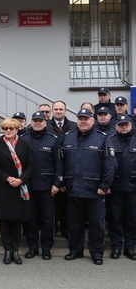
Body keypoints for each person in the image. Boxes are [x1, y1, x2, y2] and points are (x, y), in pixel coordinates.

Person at [60, 109, 114, 265]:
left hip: (95, 190)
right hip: (73, 189)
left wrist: (104, 186)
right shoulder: (68, 138)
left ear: (93, 120)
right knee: (74, 223)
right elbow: (61, 163)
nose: (83, 121)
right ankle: (75, 250)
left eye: (86, 119)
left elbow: (110, 165)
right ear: (76, 121)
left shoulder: (102, 139)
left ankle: (96, 253)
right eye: (80, 119)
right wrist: (62, 182)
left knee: (96, 223)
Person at [0, 118, 34, 265]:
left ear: (17, 130)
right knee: (4, 222)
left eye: (11, 128)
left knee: (17, 222)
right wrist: (8, 178)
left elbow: (31, 166)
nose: (8, 131)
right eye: (6, 128)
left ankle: (15, 250)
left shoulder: (25, 144)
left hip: (20, 188)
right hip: (3, 188)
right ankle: (7, 251)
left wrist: (21, 180)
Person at [20, 112, 62, 261]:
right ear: (31, 122)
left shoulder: (53, 140)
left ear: (45, 122)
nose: (37, 123)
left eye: (40, 121)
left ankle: (46, 248)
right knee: (30, 219)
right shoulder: (24, 139)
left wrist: (57, 183)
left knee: (47, 219)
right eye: (35, 121)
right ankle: (32, 247)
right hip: (28, 186)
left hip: (47, 187)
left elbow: (59, 164)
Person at [107, 114, 136, 260]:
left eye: (126, 124)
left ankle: (130, 247)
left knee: (132, 219)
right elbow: (106, 165)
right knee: (115, 219)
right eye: (121, 125)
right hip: (115, 188)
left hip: (133, 189)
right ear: (116, 126)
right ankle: (116, 246)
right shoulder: (110, 141)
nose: (124, 127)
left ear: (131, 125)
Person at [47, 100, 76, 240]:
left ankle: (65, 229)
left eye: (61, 109)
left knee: (66, 205)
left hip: (68, 170)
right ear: (52, 111)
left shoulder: (74, 126)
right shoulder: (45, 126)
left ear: (66, 111)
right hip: (50, 172)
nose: (58, 111)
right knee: (51, 206)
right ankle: (52, 229)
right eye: (56, 109)